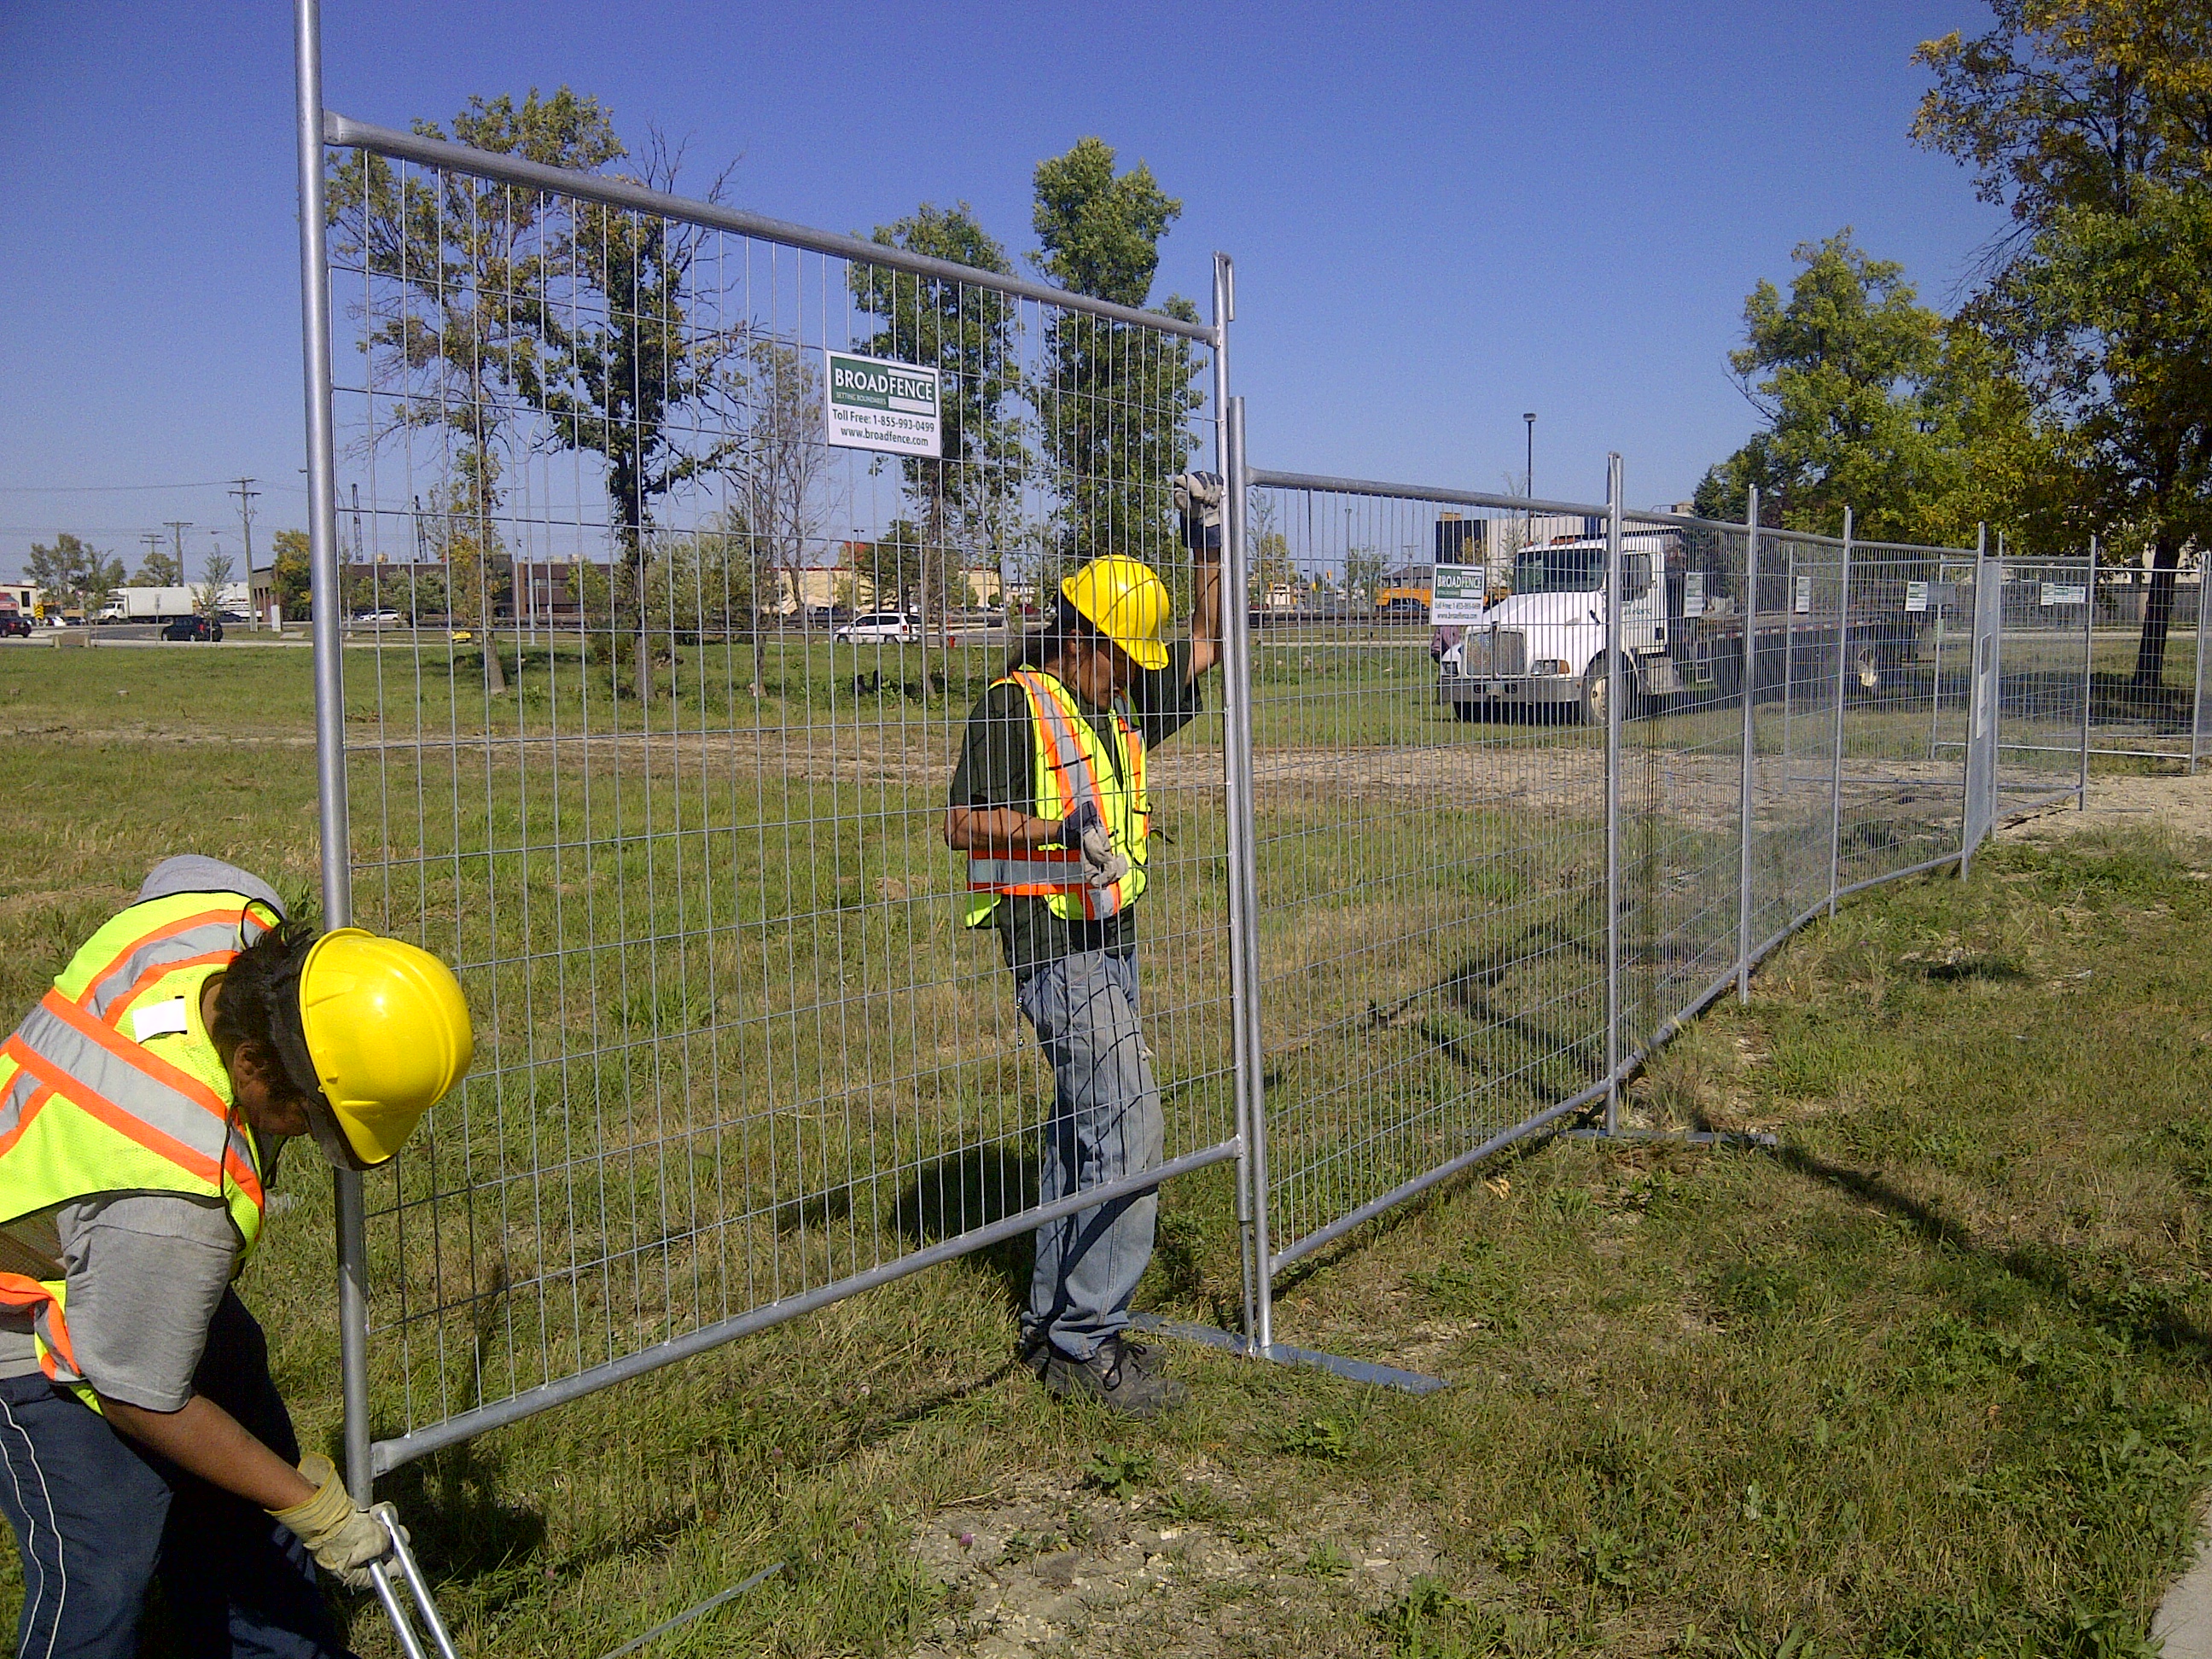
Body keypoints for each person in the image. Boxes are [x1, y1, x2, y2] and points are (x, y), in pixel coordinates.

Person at [0, 855, 472, 1657]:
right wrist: (313, 1509)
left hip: (114, 1256)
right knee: (109, 1551)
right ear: (252, 1064)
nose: (310, 1139)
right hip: (24, 1311)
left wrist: (273, 1491)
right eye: (311, 1117)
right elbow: (138, 1395)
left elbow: (172, 873)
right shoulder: (176, 1194)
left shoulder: (226, 922)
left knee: (240, 1448)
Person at [944, 474, 1224, 1418]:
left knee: (1083, 1134)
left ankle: (1048, 1327)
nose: (1133, 671)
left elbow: (1206, 646)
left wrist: (1207, 543)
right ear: (1081, 637)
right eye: (1120, 656)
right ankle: (1088, 1342)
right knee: (1133, 1126)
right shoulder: (1013, 704)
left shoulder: (1121, 704)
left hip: (1114, 939)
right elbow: (957, 823)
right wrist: (1053, 834)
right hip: (1051, 945)